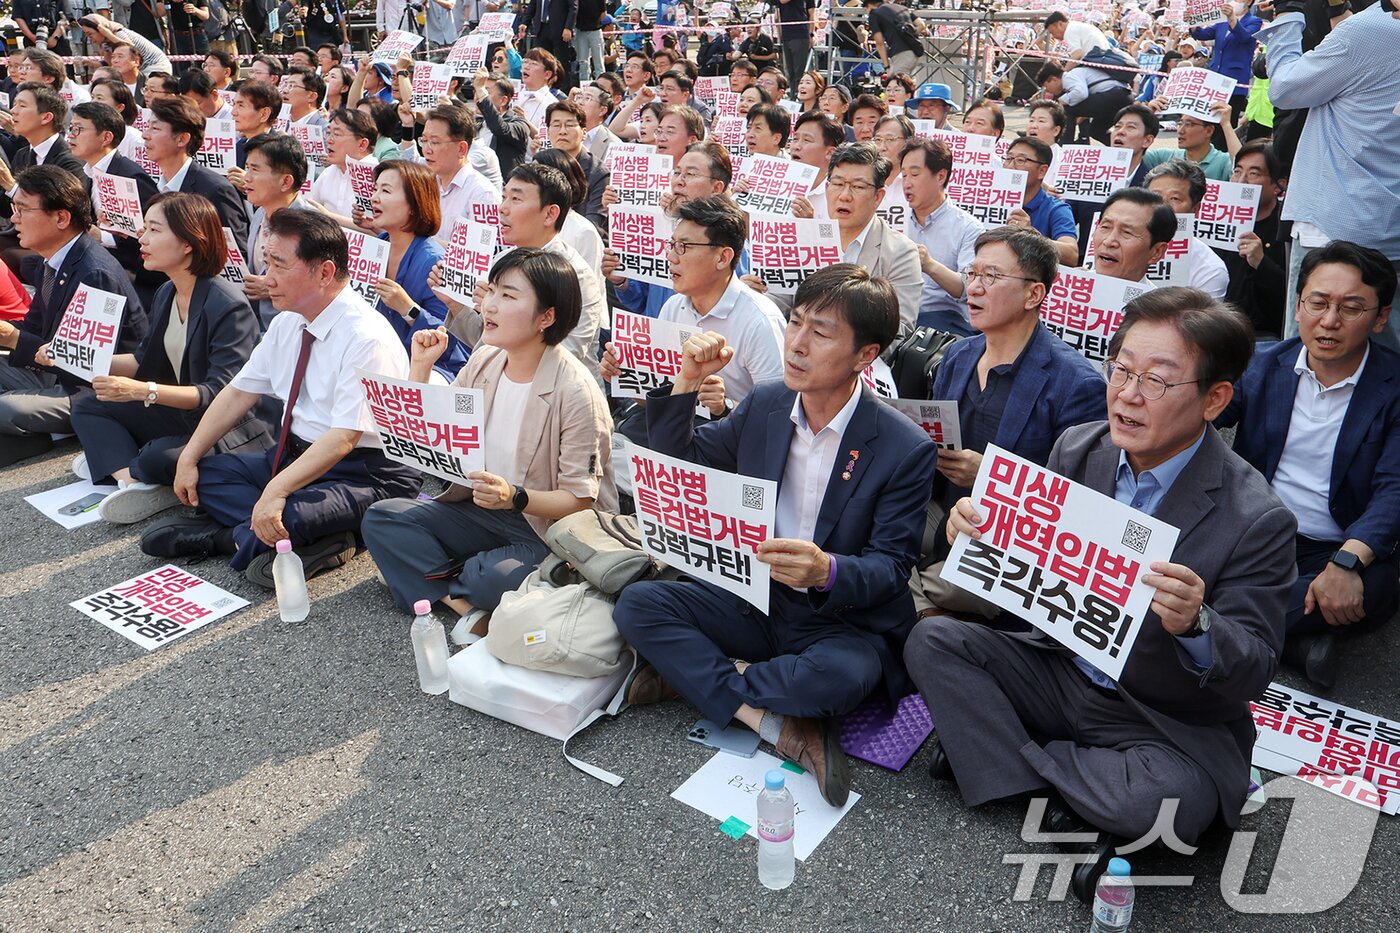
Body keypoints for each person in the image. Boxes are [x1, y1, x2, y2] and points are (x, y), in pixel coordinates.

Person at [906, 287, 1295, 895]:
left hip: (1156, 715)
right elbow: (1026, 583)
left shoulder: (1257, 518)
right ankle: (1069, 791)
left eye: (1158, 382)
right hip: (1060, 670)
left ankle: (1012, 763)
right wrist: (975, 534)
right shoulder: (1078, 447)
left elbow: (1253, 669)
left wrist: (1197, 626)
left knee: (1172, 800)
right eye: (1121, 368)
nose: (1128, 394)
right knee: (932, 640)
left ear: (1215, 399)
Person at [613, 264, 938, 807]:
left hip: (836, 620)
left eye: (821, 332)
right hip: (753, 595)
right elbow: (683, 461)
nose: (798, 344)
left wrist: (826, 570)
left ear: (866, 355)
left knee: (840, 679)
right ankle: (771, 721)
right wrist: (687, 382)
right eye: (796, 322)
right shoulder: (766, 404)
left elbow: (890, 567)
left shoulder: (903, 446)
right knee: (638, 605)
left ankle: (696, 677)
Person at [142, 209, 423, 582]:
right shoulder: (289, 320)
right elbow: (239, 392)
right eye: (267, 262)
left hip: (365, 472)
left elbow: (344, 438)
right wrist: (190, 457)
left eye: (278, 265)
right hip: (295, 454)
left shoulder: (366, 337)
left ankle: (229, 537)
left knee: (288, 512)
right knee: (207, 474)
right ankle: (288, 537)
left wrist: (275, 491)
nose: (266, 278)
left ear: (324, 272)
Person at [363, 248, 615, 633]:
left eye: (509, 296)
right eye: (493, 291)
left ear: (547, 317)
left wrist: (513, 496)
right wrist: (421, 367)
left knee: (494, 578)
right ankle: (461, 603)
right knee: (384, 518)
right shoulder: (486, 359)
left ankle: (428, 577)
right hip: (481, 508)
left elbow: (580, 499)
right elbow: (434, 435)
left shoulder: (575, 391)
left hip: (538, 523)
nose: (491, 306)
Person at [1217, 241, 1400, 689]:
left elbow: (1395, 490)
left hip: (1336, 544)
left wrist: (1345, 564)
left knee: (1375, 589)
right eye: (1318, 303)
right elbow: (1202, 415)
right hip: (1255, 526)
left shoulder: (1394, 386)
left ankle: (1208, 624)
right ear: (1298, 305)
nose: (1329, 321)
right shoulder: (1261, 364)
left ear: (1380, 317)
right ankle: (1295, 640)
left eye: (1351, 307)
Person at [908, 226, 1107, 618]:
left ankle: (926, 619)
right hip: (942, 509)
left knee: (896, 581)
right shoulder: (958, 355)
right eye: (972, 274)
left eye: (992, 276)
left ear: (1035, 294)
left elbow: (1082, 502)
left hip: (1011, 540)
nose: (974, 288)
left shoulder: (1076, 384)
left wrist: (993, 475)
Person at [70, 192, 271, 522]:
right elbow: (141, 360)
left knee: (157, 456)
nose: (142, 238)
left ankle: (124, 463)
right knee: (89, 404)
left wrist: (141, 391)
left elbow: (217, 394)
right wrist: (77, 355)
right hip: (182, 413)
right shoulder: (167, 291)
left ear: (188, 241)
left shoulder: (227, 304)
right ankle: (132, 481)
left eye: (154, 230)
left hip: (228, 425)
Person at [1261, 2, 1400, 349]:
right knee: (1387, 363)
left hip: (1333, 227)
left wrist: (1288, 15)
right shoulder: (1372, 29)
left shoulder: (1372, 30)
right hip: (1390, 228)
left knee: (1312, 356)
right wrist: (1337, 9)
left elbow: (1284, 88)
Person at [0, 167, 148, 467]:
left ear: (61, 217)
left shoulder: (94, 272)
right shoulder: (49, 262)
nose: (14, 218)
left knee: (6, 409)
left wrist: (12, 337)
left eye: (23, 209)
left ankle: (57, 431)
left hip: (95, 389)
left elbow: (86, 364)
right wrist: (10, 334)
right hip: (57, 369)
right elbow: (36, 329)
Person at [604, 195, 784, 414]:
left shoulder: (760, 321)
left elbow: (777, 412)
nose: (671, 256)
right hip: (677, 433)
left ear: (723, 258)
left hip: (733, 441)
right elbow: (659, 402)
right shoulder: (673, 307)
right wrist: (623, 376)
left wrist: (724, 407)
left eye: (684, 247)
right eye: (671, 245)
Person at [442, 163, 605, 376]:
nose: (502, 208)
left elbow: (568, 353)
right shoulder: (502, 261)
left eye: (516, 199)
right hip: (500, 383)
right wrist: (455, 303)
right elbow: (486, 339)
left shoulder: (575, 275)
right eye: (503, 197)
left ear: (550, 214)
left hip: (554, 398)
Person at [366, 160, 463, 381]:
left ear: (413, 205)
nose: (375, 197)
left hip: (426, 372)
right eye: (375, 189)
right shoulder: (374, 248)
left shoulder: (434, 261)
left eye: (386, 191)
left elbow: (451, 342)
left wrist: (408, 309)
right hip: (376, 360)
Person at [143, 96, 250, 255]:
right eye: (147, 127)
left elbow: (235, 253)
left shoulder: (215, 190)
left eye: (155, 129)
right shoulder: (155, 186)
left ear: (182, 139)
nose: (145, 135)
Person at [901, 137, 982, 335]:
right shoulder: (893, 217)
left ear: (940, 176)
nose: (907, 184)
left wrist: (929, 265)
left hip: (941, 323)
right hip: (895, 315)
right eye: (903, 175)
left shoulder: (968, 228)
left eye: (914, 174)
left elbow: (966, 289)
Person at [0, 83, 86, 267]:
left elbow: (62, 213)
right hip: (23, 235)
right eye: (14, 105)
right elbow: (7, 209)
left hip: (58, 247)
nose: (13, 111)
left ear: (46, 117)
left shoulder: (69, 160)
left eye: (22, 106)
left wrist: (10, 185)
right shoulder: (24, 154)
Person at [396, 105, 501, 247]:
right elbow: (409, 163)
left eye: (435, 142)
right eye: (424, 140)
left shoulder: (482, 194)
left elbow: (478, 253)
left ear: (461, 148)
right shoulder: (430, 181)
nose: (426, 150)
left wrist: (418, 241)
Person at [1221, 140, 1291, 338]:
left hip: (1264, 335)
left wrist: (1261, 262)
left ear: (1278, 185)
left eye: (1253, 174)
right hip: (1214, 327)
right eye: (1237, 171)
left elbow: (1291, 294)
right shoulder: (1215, 219)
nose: (1241, 181)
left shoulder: (1287, 230)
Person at [241, 133, 311, 329]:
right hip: (256, 327)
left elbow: (321, 287)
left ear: (286, 182)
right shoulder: (259, 214)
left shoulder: (309, 227)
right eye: (247, 168)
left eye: (255, 170)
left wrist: (275, 286)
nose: (246, 178)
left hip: (292, 331)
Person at [1145, 159, 1231, 299]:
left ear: (1195, 208)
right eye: (1155, 196)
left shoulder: (1210, 270)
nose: (1163, 206)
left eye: (1175, 199)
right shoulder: (1114, 243)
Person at [1003, 137, 1078, 266]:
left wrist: (1031, 236)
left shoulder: (1056, 209)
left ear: (1042, 171)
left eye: (1021, 160)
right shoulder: (985, 198)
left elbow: (1072, 254)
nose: (1010, 166)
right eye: (1008, 158)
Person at [1191, 0, 1260, 133]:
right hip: (1215, 80)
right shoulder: (1221, 21)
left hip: (1235, 82)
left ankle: (1227, 151)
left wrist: (1232, 18)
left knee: (1227, 124)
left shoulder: (1254, 21)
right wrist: (1193, 23)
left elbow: (1244, 36)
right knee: (1211, 123)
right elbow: (1204, 34)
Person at [1089, 187, 1179, 285]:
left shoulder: (1156, 300)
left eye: (1127, 232)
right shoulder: (1071, 289)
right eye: (1105, 227)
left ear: (1156, 252)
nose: (1109, 241)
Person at [543, 100, 609, 231]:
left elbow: (594, 224)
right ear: (548, 132)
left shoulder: (597, 173)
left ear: (584, 132)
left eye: (569, 125)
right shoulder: (540, 164)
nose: (562, 131)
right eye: (556, 125)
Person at [1036, 61, 1132, 146]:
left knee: (1067, 108)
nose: (1048, 90)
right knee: (1096, 131)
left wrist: (1061, 101)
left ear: (1054, 79)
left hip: (1115, 95)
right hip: (1122, 96)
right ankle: (1126, 148)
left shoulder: (1070, 76)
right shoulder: (1075, 74)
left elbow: (1081, 93)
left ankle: (1064, 146)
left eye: (1046, 86)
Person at [308, 108, 377, 222]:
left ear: (362, 144)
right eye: (328, 133)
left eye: (337, 134)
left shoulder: (377, 176)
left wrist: (327, 216)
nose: (329, 140)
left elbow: (378, 230)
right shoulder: (329, 172)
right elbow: (310, 205)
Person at [1141, 111, 1234, 182]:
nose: (1180, 131)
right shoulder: (1164, 157)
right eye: (1180, 124)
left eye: (1189, 125)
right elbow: (1128, 157)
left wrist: (1226, 125)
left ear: (1209, 131)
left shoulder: (1224, 162)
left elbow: (1243, 170)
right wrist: (1146, 116)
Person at [473, 71, 531, 180]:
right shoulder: (476, 124)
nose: (477, 97)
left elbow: (500, 128)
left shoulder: (519, 124)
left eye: (486, 92)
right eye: (477, 91)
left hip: (505, 192)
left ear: (503, 100)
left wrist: (481, 91)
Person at [789, 111, 843, 219]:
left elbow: (839, 236)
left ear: (830, 152)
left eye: (807, 140)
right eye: (795, 139)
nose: (796, 146)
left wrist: (810, 223)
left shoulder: (840, 195)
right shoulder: (774, 185)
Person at [863, 0, 925, 78]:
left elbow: (879, 43)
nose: (867, 13)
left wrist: (887, 67)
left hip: (900, 54)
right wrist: (910, 35)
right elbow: (921, 24)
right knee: (905, 85)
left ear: (869, 6)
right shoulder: (902, 8)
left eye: (866, 10)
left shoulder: (874, 14)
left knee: (897, 85)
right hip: (915, 51)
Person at [1109, 103, 1158, 188]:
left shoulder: (1153, 186)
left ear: (1147, 141)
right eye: (1117, 126)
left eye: (1130, 127)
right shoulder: (1089, 176)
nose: (1120, 132)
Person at [777, 0, 816, 101]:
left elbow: (812, 13)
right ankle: (793, 98)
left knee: (800, 71)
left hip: (800, 34)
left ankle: (800, 99)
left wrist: (811, 34)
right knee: (789, 72)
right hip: (786, 35)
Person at [1043, 11, 1111, 61]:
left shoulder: (1069, 30)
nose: (1053, 36)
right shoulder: (1077, 26)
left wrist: (1064, 72)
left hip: (1096, 62)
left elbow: (1077, 55)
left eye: (1052, 32)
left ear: (1060, 24)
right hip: (1102, 59)